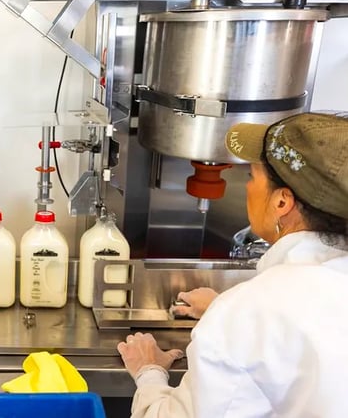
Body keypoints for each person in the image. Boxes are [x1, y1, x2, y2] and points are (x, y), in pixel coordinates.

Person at [117, 112, 348, 417]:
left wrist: (149, 371)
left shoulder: (247, 313)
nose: (248, 187)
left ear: (282, 202)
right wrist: (225, 309)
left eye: (252, 176)